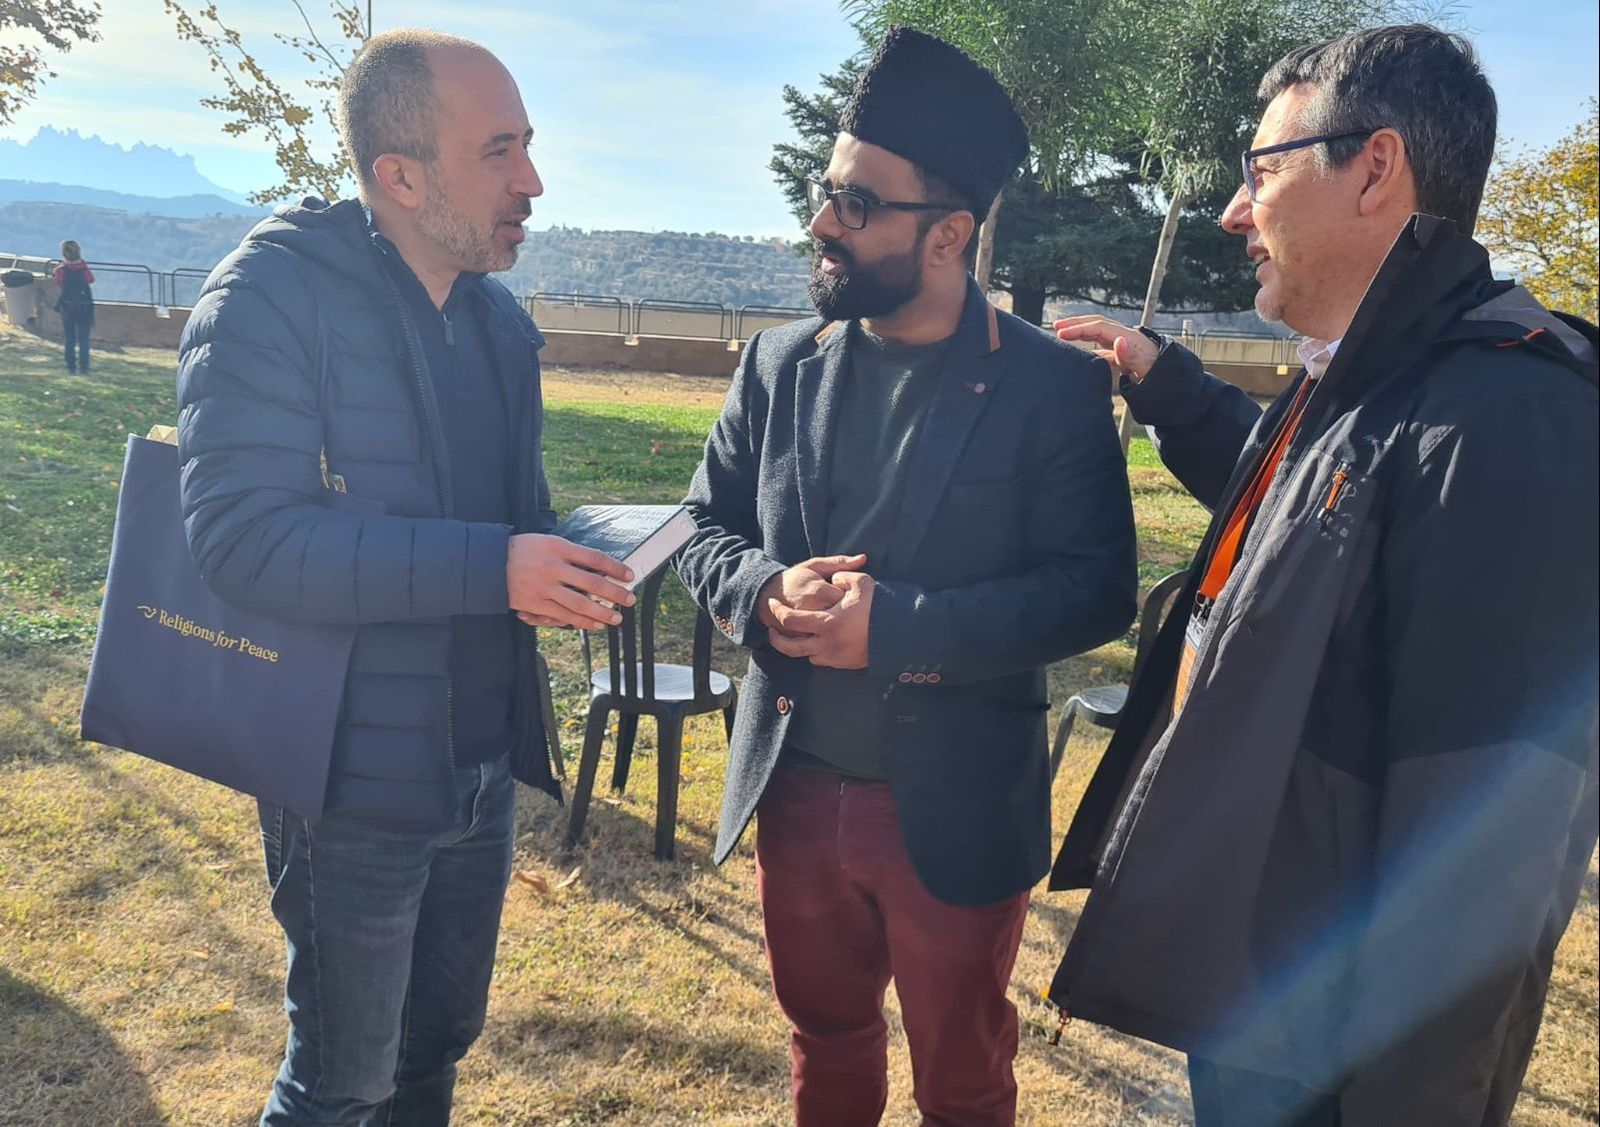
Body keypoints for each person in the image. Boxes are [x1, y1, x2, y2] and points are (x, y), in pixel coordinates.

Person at [1046, 24, 1598, 1127]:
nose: (1231, 212)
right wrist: (1163, 385)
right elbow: (1308, 516)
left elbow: (1486, 861)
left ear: (1375, 169)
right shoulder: (1361, 383)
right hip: (1261, 985)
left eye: (1260, 170)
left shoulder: (1508, 419)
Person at [675, 27, 1137, 1127]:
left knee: (963, 1081)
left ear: (951, 234)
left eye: (858, 203)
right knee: (823, 1047)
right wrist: (759, 590)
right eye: (825, 191)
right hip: (791, 786)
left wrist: (905, 625)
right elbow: (699, 524)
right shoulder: (778, 363)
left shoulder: (1052, 389)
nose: (824, 222)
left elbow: (1093, 591)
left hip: (955, 808)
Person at [177, 28, 636, 1126]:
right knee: (338, 1083)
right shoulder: (269, 300)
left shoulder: (495, 319)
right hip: (344, 781)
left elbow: (508, 523)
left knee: (436, 1048)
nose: (531, 181)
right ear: (399, 174)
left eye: (527, 147)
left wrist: (577, 555)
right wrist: (498, 565)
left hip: (477, 765)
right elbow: (241, 540)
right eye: (499, 152)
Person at [53, 240, 94, 373]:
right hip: (84, 307)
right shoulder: (84, 269)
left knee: (69, 338)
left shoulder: (60, 270)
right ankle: (84, 367)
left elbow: (58, 283)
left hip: (67, 307)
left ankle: (71, 367)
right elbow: (91, 280)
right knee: (84, 339)